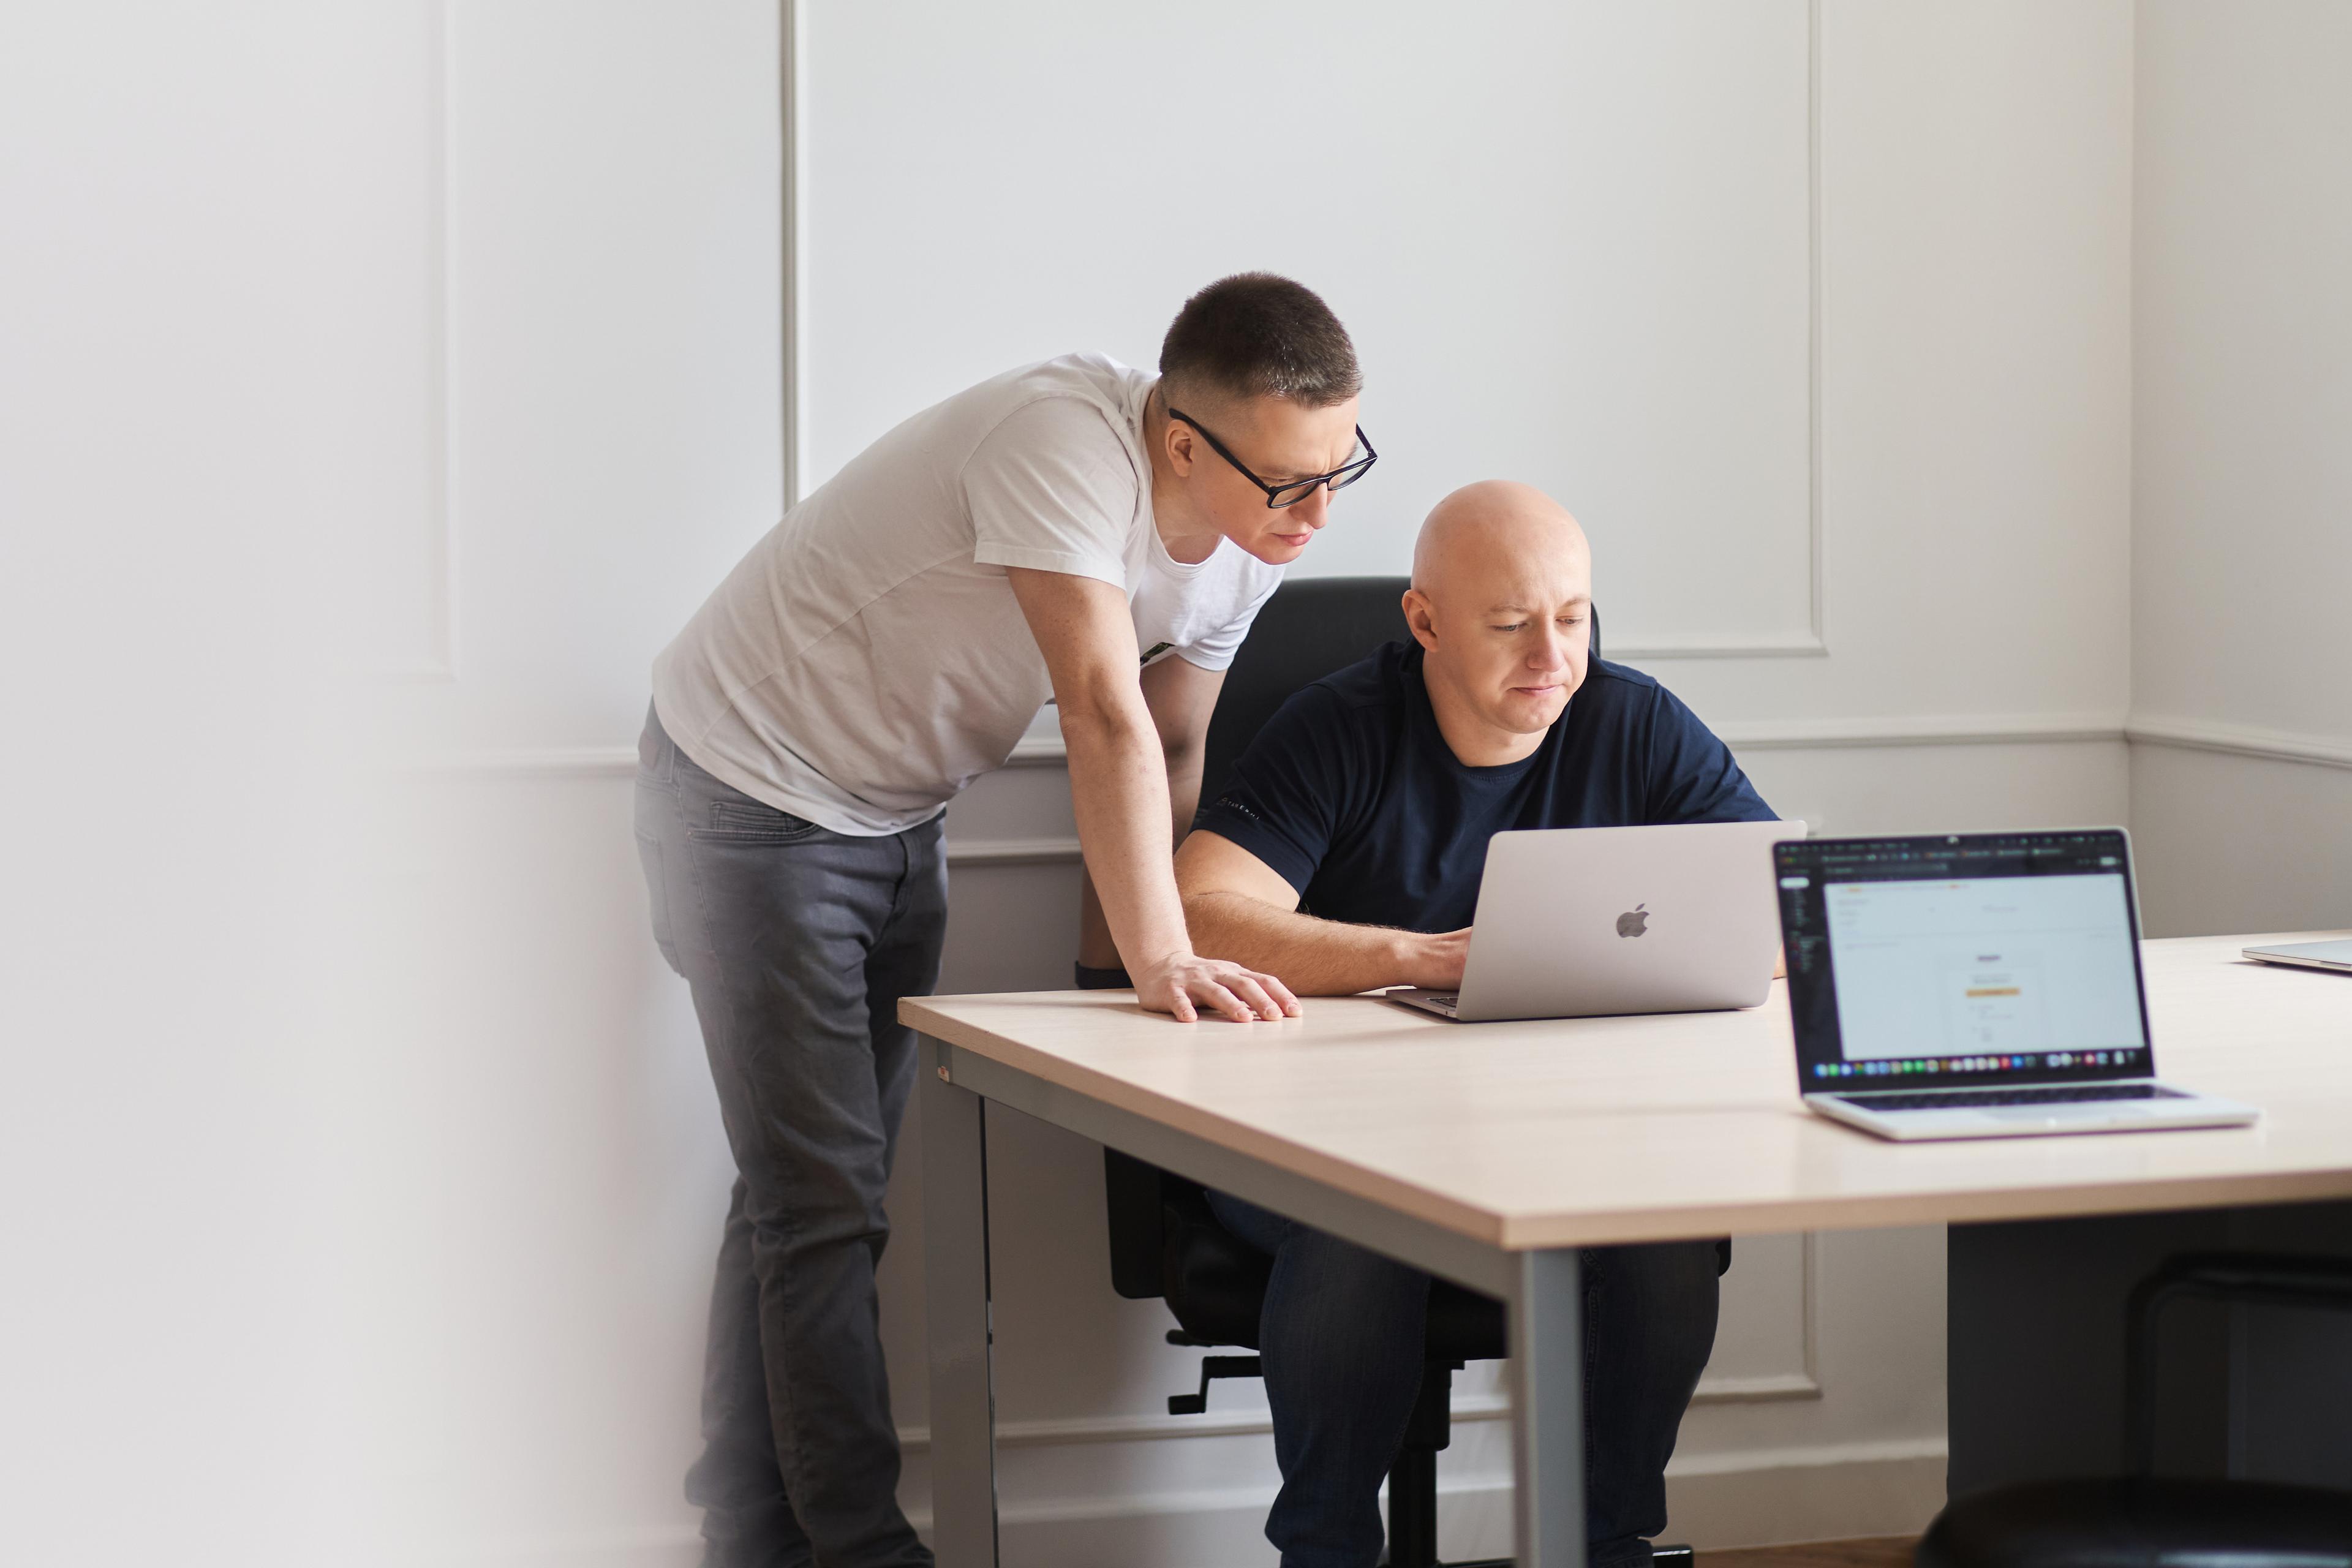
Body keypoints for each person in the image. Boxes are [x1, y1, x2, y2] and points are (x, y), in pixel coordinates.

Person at [636, 274, 1373, 1567]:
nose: (1318, 513)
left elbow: (1176, 734)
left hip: (894, 808)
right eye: (1289, 484)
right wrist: (1163, 955)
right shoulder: (1060, 446)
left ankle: (746, 1528)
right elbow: (1098, 705)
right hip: (747, 792)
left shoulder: (1251, 536)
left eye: (1341, 469)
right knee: (822, 1203)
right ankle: (863, 1547)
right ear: (1184, 444)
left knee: (800, 1197)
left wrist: (1119, 975)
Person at [1172, 480, 1779, 1568]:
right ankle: (1326, 1551)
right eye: (1510, 626)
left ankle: (1607, 1541)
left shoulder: (1631, 721)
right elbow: (1202, 912)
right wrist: (1420, 956)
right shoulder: (1339, 727)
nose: (1552, 656)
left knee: (1666, 1233)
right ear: (1426, 622)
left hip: (1558, 1134)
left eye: (1573, 617)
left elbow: (1783, 901)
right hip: (1322, 1132)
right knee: (1362, 1224)